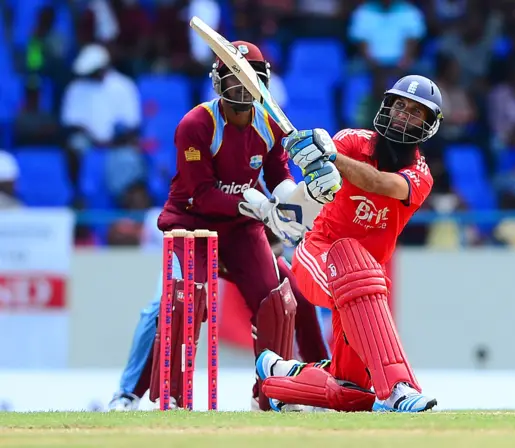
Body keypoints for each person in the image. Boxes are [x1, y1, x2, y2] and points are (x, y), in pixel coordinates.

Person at [108, 41, 331, 411]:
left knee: (280, 299)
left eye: (250, 79)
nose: (243, 88)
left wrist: (298, 199)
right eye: (235, 78)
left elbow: (278, 175)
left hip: (241, 229)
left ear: (263, 83)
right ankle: (133, 393)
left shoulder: (270, 124)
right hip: (191, 225)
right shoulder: (197, 124)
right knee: (178, 303)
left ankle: (277, 393)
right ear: (219, 81)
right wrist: (259, 205)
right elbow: (200, 193)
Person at [244, 74, 444, 412]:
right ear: (386, 107)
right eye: (399, 105)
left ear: (429, 125)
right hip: (319, 252)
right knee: (355, 263)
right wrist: (313, 154)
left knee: (352, 393)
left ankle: (278, 376)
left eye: (415, 111)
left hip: (365, 282)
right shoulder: (352, 140)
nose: (403, 114)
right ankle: (399, 387)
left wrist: (331, 158)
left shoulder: (421, 174)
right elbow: (326, 163)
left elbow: (379, 182)